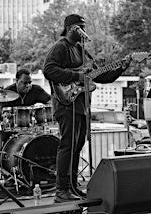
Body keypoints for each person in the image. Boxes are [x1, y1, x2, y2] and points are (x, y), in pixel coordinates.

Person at [43, 14, 129, 202]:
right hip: (66, 103)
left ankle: (72, 187)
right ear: (72, 28)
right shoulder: (60, 47)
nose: (84, 30)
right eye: (81, 27)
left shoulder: (82, 50)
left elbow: (100, 76)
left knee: (77, 146)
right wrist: (77, 76)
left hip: (81, 105)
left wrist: (121, 68)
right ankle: (61, 190)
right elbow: (48, 70)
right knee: (68, 145)